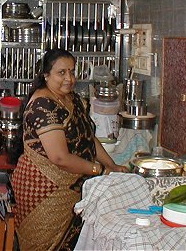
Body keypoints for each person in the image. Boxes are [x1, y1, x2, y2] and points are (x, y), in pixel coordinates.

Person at [11, 49, 128, 251]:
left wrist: (112, 165)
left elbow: (88, 139)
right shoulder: (43, 105)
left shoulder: (71, 99)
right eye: (61, 73)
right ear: (45, 75)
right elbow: (60, 157)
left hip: (74, 186)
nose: (69, 78)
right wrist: (100, 171)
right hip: (44, 192)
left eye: (72, 72)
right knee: (43, 245)